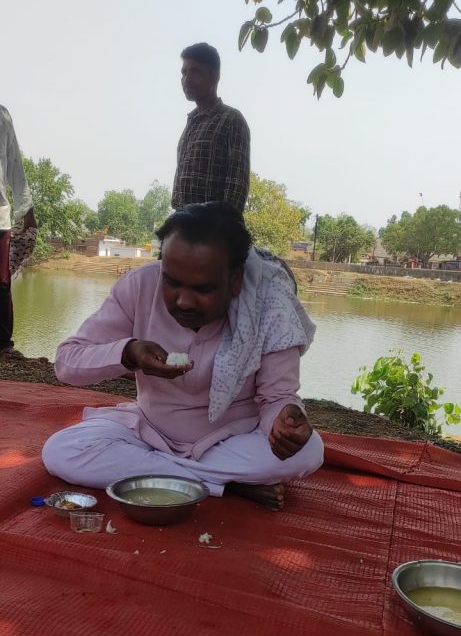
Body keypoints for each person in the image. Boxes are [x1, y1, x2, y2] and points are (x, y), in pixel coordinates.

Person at [42, 202, 323, 510]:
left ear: (235, 280)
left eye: (203, 289)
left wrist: (284, 422)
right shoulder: (139, 286)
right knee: (61, 451)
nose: (184, 301)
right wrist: (128, 352)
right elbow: (67, 362)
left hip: (232, 442)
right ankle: (224, 484)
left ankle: (173, 474)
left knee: (310, 451)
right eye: (172, 282)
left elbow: (277, 398)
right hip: (147, 432)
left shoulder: (269, 305)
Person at [171, 44, 250, 215]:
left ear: (214, 75)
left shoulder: (231, 120)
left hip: (213, 227)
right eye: (184, 72)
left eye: (195, 71)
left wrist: (220, 228)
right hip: (183, 223)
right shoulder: (192, 121)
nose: (187, 79)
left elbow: (236, 188)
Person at [0, 105, 36, 356]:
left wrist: (26, 208)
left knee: (1, 283)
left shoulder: (2, 116)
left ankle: (3, 344)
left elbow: (15, 165)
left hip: (0, 215)